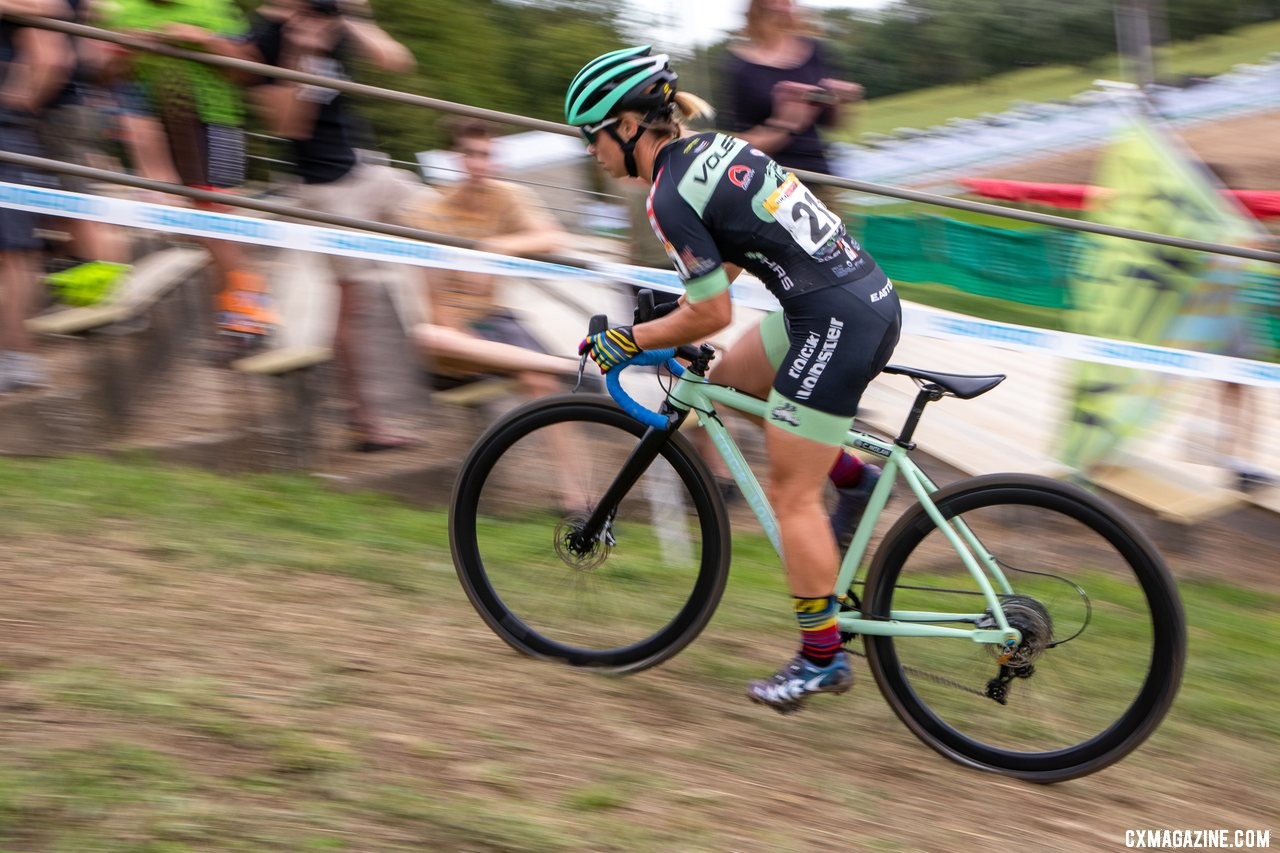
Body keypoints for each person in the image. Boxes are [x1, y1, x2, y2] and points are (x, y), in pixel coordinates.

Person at [568, 46, 900, 713]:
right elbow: (737, 255)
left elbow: (714, 310)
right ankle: (851, 479)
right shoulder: (715, 149)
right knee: (739, 383)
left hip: (831, 318)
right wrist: (677, 316)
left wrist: (631, 339)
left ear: (628, 126)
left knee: (789, 495)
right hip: (844, 297)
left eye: (592, 137)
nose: (593, 154)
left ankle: (821, 658)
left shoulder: (667, 193)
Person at [241, 0, 425, 452]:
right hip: (326, 187)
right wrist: (303, 54)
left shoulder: (333, 20)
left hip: (367, 169)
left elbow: (397, 61)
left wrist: (350, 18)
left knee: (453, 227)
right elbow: (288, 126)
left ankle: (458, 349)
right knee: (353, 305)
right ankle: (363, 424)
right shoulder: (265, 35)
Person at [100, 0, 274, 344]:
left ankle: (247, 316)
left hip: (212, 125)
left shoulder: (215, 8)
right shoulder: (125, 10)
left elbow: (249, 70)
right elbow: (104, 75)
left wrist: (206, 40)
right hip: (156, 123)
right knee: (207, 230)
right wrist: (125, 52)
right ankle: (237, 316)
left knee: (218, 225)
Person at [401, 117, 579, 394]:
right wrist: (464, 337)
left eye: (485, 155)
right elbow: (431, 301)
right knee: (428, 336)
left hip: (493, 320)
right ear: (454, 158)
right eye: (469, 154)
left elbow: (554, 237)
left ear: (496, 159)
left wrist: (494, 248)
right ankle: (564, 366)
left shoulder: (508, 196)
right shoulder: (429, 211)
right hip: (453, 336)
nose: (477, 164)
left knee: (539, 381)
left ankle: (556, 369)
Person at [718, 0, 863, 210]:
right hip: (771, 190)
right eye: (773, 2)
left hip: (820, 182)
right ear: (756, 8)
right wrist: (784, 125)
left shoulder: (815, 51)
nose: (782, 7)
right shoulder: (740, 68)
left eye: (787, 2)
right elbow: (736, 147)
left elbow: (835, 123)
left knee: (840, 243)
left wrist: (840, 99)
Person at [0, 0, 73, 392]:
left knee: (15, 254)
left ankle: (18, 357)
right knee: (14, 255)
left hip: (8, 127)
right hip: (12, 125)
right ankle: (17, 357)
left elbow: (52, 23)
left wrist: (19, 103)